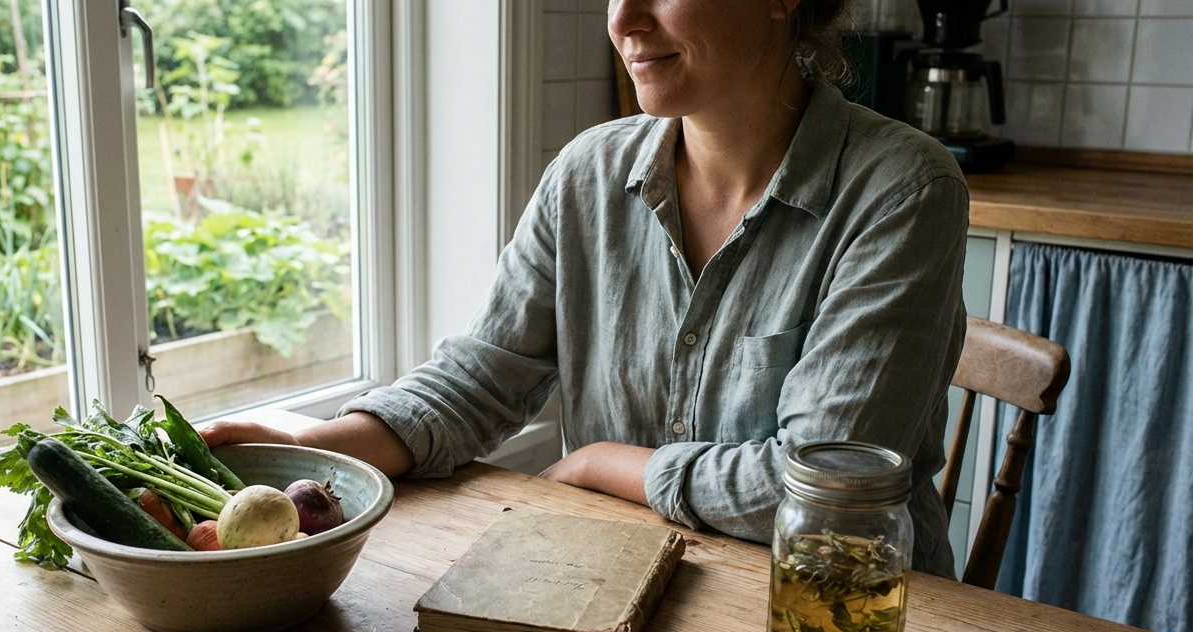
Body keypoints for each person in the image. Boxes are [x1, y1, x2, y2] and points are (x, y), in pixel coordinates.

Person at [202, 0, 968, 578]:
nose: (625, 20)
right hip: (615, 579)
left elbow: (823, 488)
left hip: (840, 616)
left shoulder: (903, 189)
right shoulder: (588, 173)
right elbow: (483, 379)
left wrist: (607, 463)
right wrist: (315, 443)